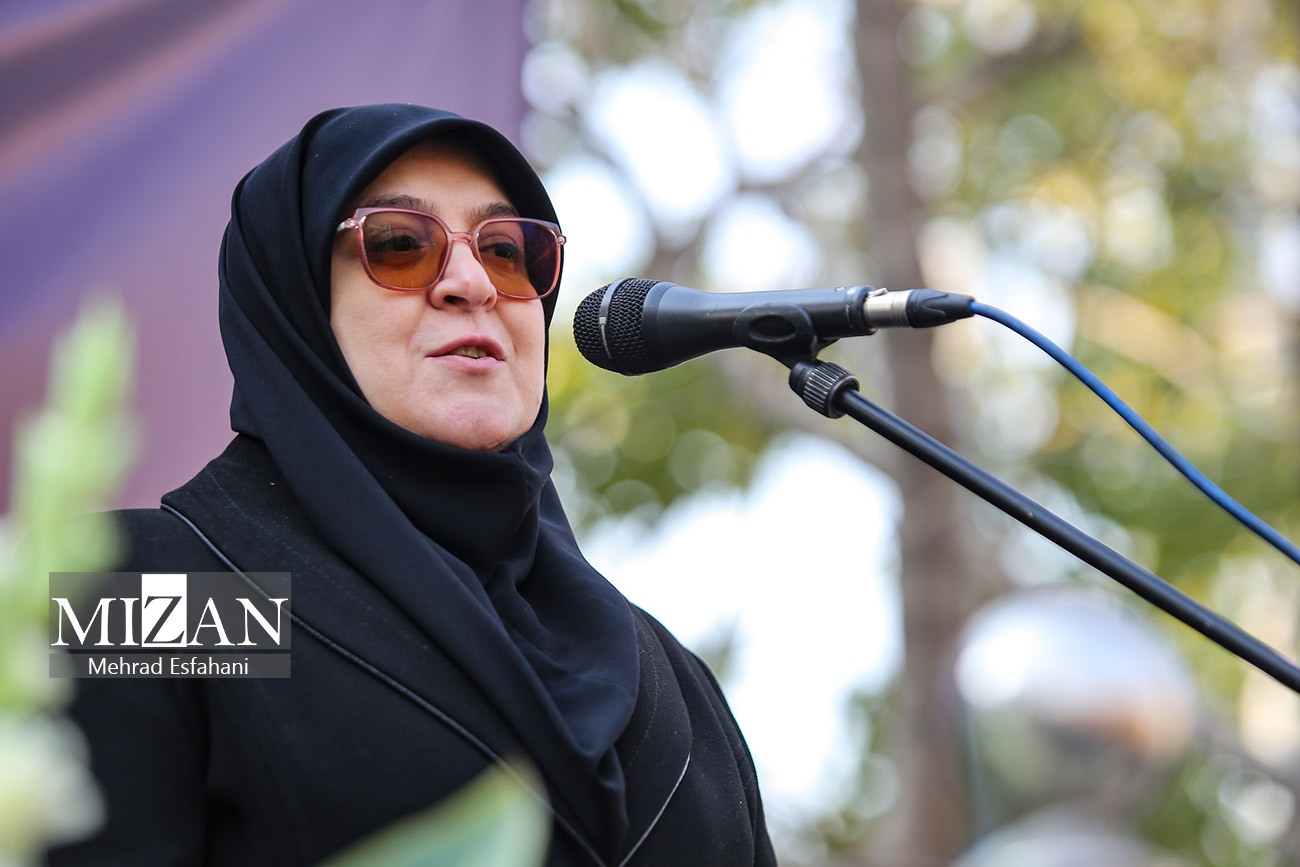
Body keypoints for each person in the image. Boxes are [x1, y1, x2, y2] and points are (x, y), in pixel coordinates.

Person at [50, 104, 776, 866]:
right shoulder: (151, 591)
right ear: (295, 301)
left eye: (506, 250)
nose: (473, 283)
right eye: (400, 243)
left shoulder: (676, 680)